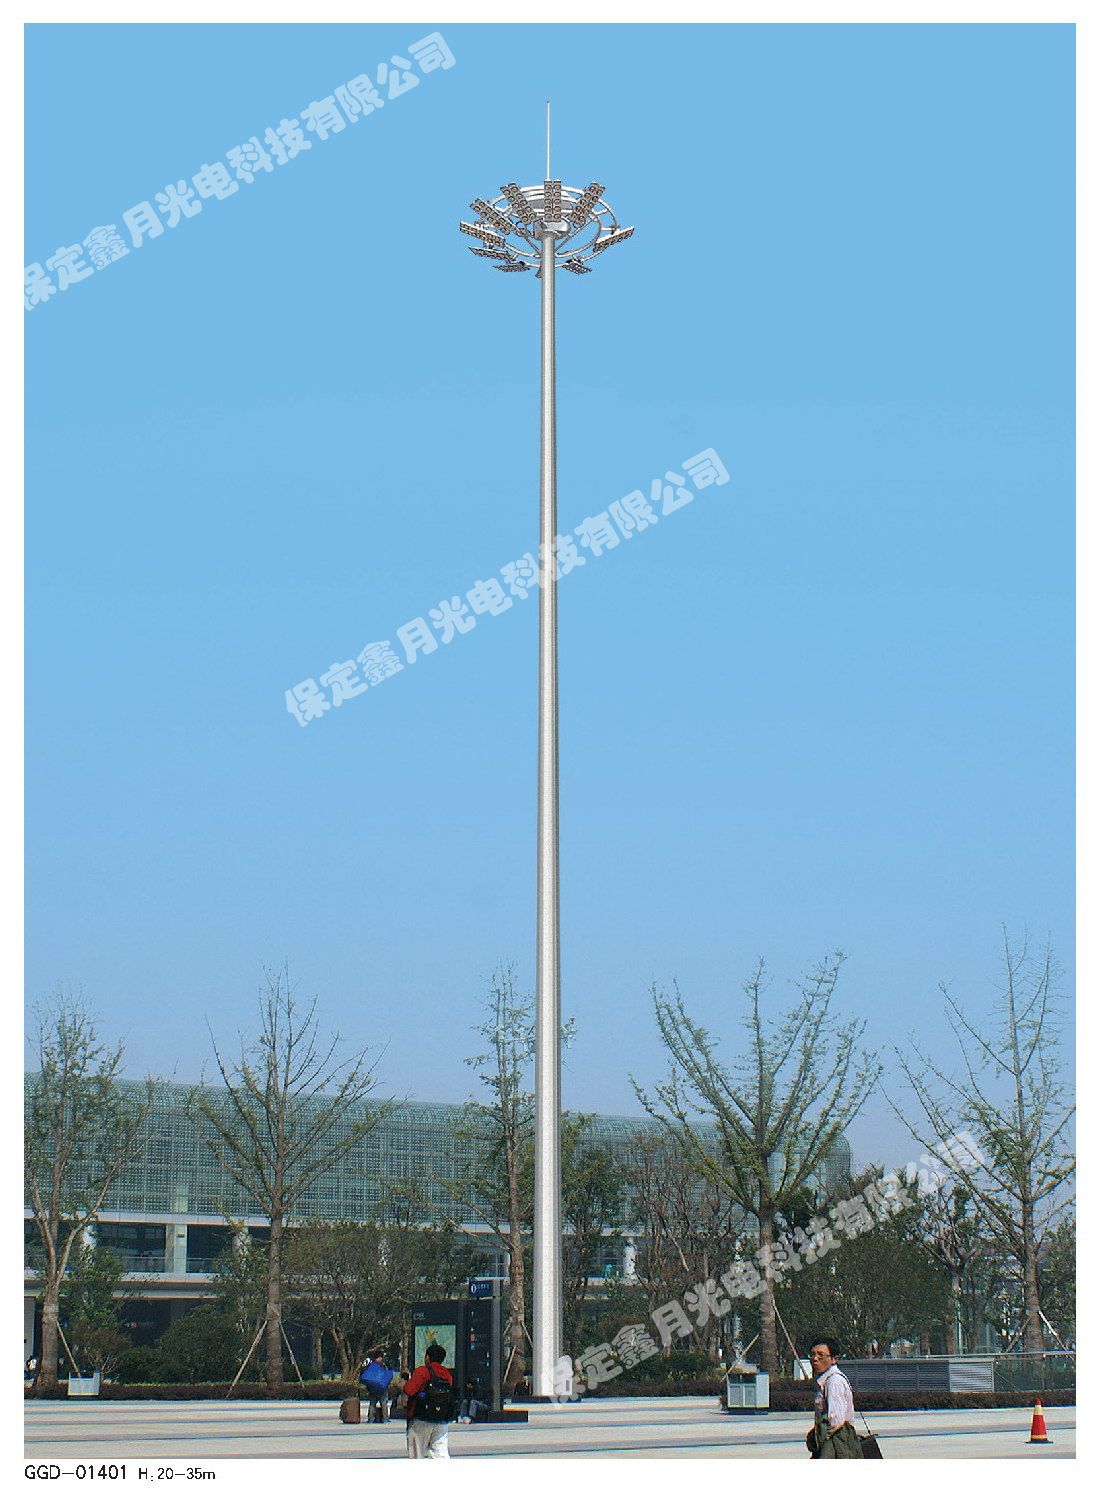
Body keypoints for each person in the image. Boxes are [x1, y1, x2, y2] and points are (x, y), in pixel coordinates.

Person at [806, 1336, 863, 1459]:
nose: (815, 1359)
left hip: (836, 1446)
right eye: (812, 1354)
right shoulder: (825, 1381)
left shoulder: (834, 1381)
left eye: (821, 1355)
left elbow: (835, 1422)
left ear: (834, 1359)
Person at [403, 1342, 456, 1458]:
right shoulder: (447, 1375)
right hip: (441, 1420)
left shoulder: (422, 1371)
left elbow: (409, 1390)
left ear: (427, 1357)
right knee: (440, 1454)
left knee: (417, 1455)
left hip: (421, 1418)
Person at [360, 1347, 394, 1424]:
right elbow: (387, 1375)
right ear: (379, 1357)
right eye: (381, 1357)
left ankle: (371, 1419)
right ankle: (385, 1418)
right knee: (384, 1403)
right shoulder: (383, 1366)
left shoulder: (370, 1365)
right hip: (381, 1388)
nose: (381, 1359)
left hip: (372, 1388)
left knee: (372, 1403)